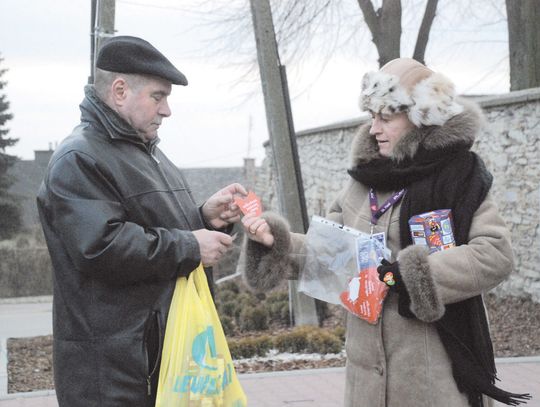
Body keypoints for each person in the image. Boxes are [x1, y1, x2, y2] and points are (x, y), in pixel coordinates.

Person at [240, 58, 530, 407]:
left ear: (420, 118)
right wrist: (278, 246)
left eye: (386, 118)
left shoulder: (459, 177)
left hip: (430, 377)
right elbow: (331, 255)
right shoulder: (363, 183)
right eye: (372, 117)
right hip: (366, 379)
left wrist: (410, 276)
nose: (374, 129)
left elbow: (494, 254)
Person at [37, 36, 246, 406]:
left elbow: (154, 228)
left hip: (153, 362)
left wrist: (205, 219)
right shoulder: (79, 159)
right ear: (119, 91)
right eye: (158, 96)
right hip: (115, 375)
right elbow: (101, 247)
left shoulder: (147, 153)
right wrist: (190, 244)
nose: (166, 110)